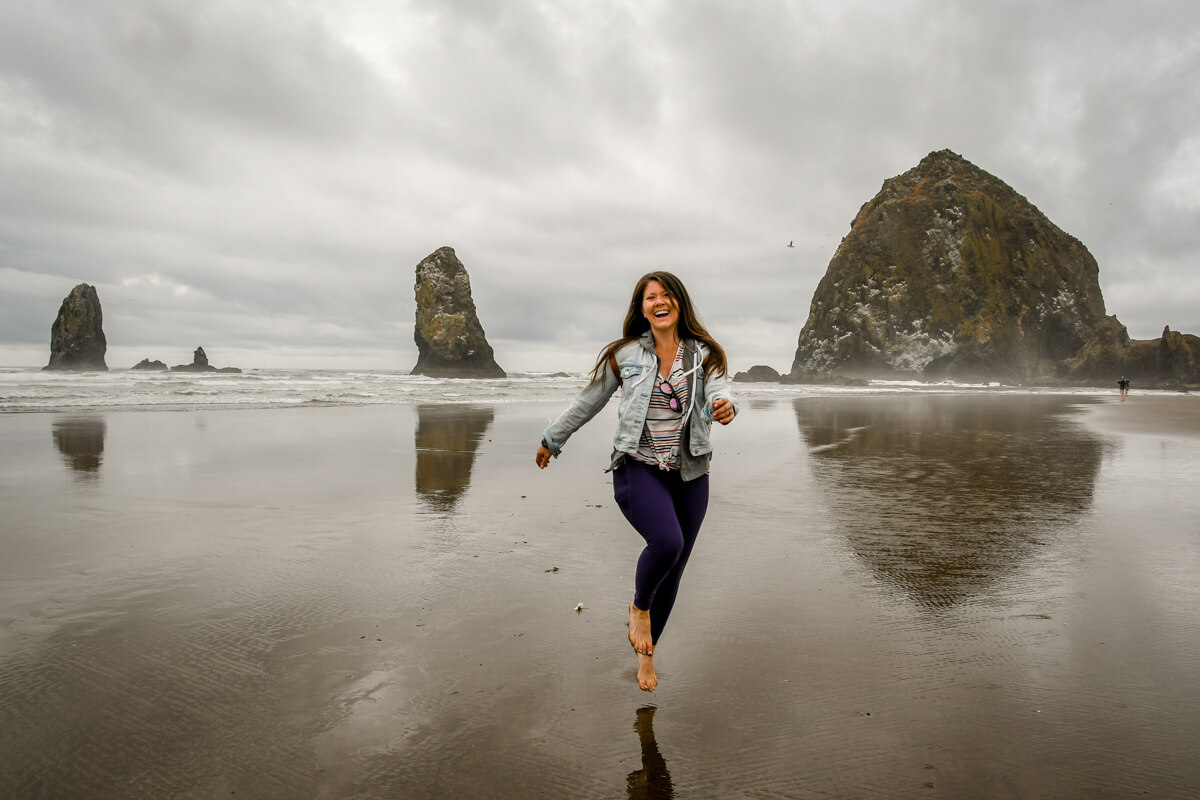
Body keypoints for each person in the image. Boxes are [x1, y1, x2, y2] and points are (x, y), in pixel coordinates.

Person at [535, 272, 738, 691]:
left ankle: (647, 657)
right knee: (668, 543)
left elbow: (720, 391)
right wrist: (552, 439)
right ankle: (639, 607)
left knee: (674, 570)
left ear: (679, 303)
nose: (658, 302)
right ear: (641, 307)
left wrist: (724, 405)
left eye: (666, 295)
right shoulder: (625, 355)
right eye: (650, 297)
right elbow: (588, 401)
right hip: (637, 468)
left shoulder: (704, 355)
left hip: (690, 472)